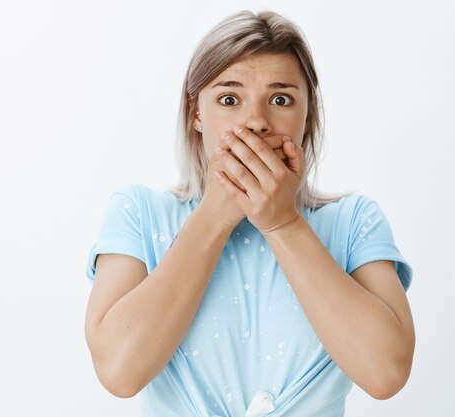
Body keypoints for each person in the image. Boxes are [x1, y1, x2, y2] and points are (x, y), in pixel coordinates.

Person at [84, 9, 415, 417]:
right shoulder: (137, 213)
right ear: (196, 114)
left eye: (280, 99)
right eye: (229, 99)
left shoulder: (354, 221)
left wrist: (284, 223)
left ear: (307, 116)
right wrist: (214, 216)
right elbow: (119, 371)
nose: (256, 122)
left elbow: (386, 373)